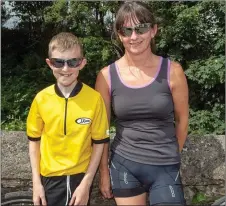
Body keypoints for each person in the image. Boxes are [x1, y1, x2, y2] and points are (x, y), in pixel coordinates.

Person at [95, 1, 189, 205]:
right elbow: (100, 130)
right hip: (124, 165)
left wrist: (172, 154)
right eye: (126, 30)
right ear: (119, 35)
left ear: (153, 30)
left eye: (141, 29)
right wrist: (104, 172)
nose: (134, 37)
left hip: (165, 166)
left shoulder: (173, 71)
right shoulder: (106, 76)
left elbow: (182, 120)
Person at [27, 32, 109, 206]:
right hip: (49, 179)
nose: (66, 69)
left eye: (73, 62)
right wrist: (36, 183)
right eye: (59, 62)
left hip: (80, 178)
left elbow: (99, 142)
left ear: (82, 63)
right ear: (49, 63)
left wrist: (86, 183)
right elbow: (34, 141)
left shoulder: (94, 99)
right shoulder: (41, 99)